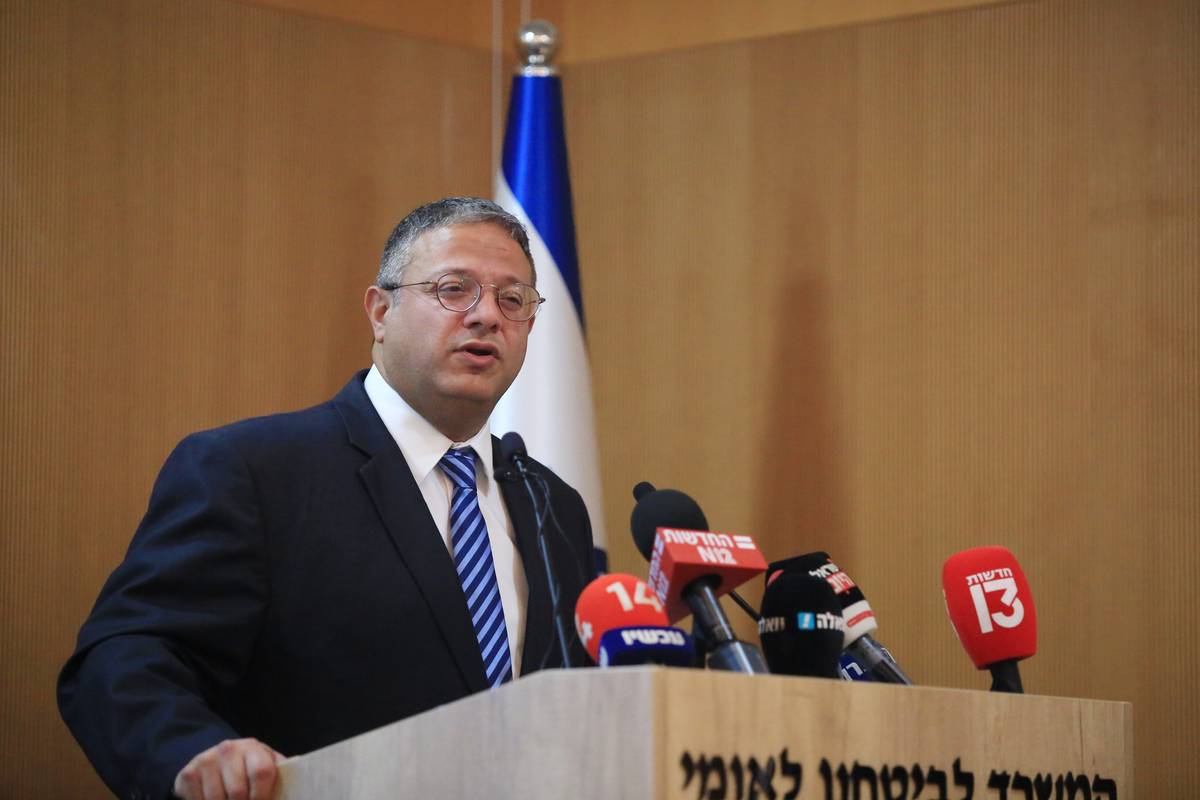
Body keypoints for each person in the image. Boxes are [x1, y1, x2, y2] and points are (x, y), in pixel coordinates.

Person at [57, 197, 595, 800]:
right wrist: (191, 751)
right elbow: (124, 656)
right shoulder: (256, 472)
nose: (486, 316)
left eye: (512, 299)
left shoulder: (553, 504)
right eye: (453, 289)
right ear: (381, 311)